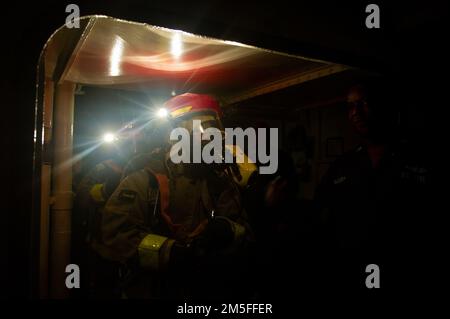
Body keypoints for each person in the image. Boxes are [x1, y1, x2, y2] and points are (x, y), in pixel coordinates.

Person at [95, 93, 253, 299]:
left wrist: (229, 231)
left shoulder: (219, 179)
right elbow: (117, 235)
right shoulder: (145, 178)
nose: (208, 138)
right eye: (199, 130)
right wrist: (172, 252)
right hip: (154, 289)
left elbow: (245, 232)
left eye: (212, 129)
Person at [313, 79, 431, 290]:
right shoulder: (343, 165)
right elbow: (320, 213)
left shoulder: (416, 158)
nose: (356, 111)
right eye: (350, 106)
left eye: (363, 103)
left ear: (384, 106)